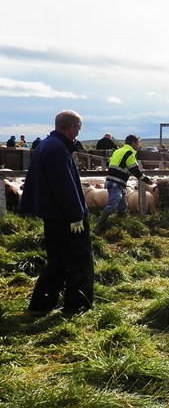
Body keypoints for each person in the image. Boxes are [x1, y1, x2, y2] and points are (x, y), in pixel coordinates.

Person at [18, 110, 93, 315]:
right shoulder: (58, 149)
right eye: (78, 128)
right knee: (78, 260)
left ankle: (41, 305)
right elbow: (64, 186)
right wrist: (76, 216)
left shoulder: (47, 145)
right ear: (72, 127)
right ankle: (77, 305)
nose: (78, 133)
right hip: (65, 217)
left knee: (58, 260)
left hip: (53, 214)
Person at [95, 134, 154, 234]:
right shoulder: (129, 153)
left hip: (112, 181)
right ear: (133, 143)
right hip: (116, 182)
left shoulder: (118, 151)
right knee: (113, 203)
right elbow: (135, 171)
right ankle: (99, 226)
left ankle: (119, 226)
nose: (138, 146)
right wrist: (146, 180)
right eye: (137, 143)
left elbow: (109, 163)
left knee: (123, 206)